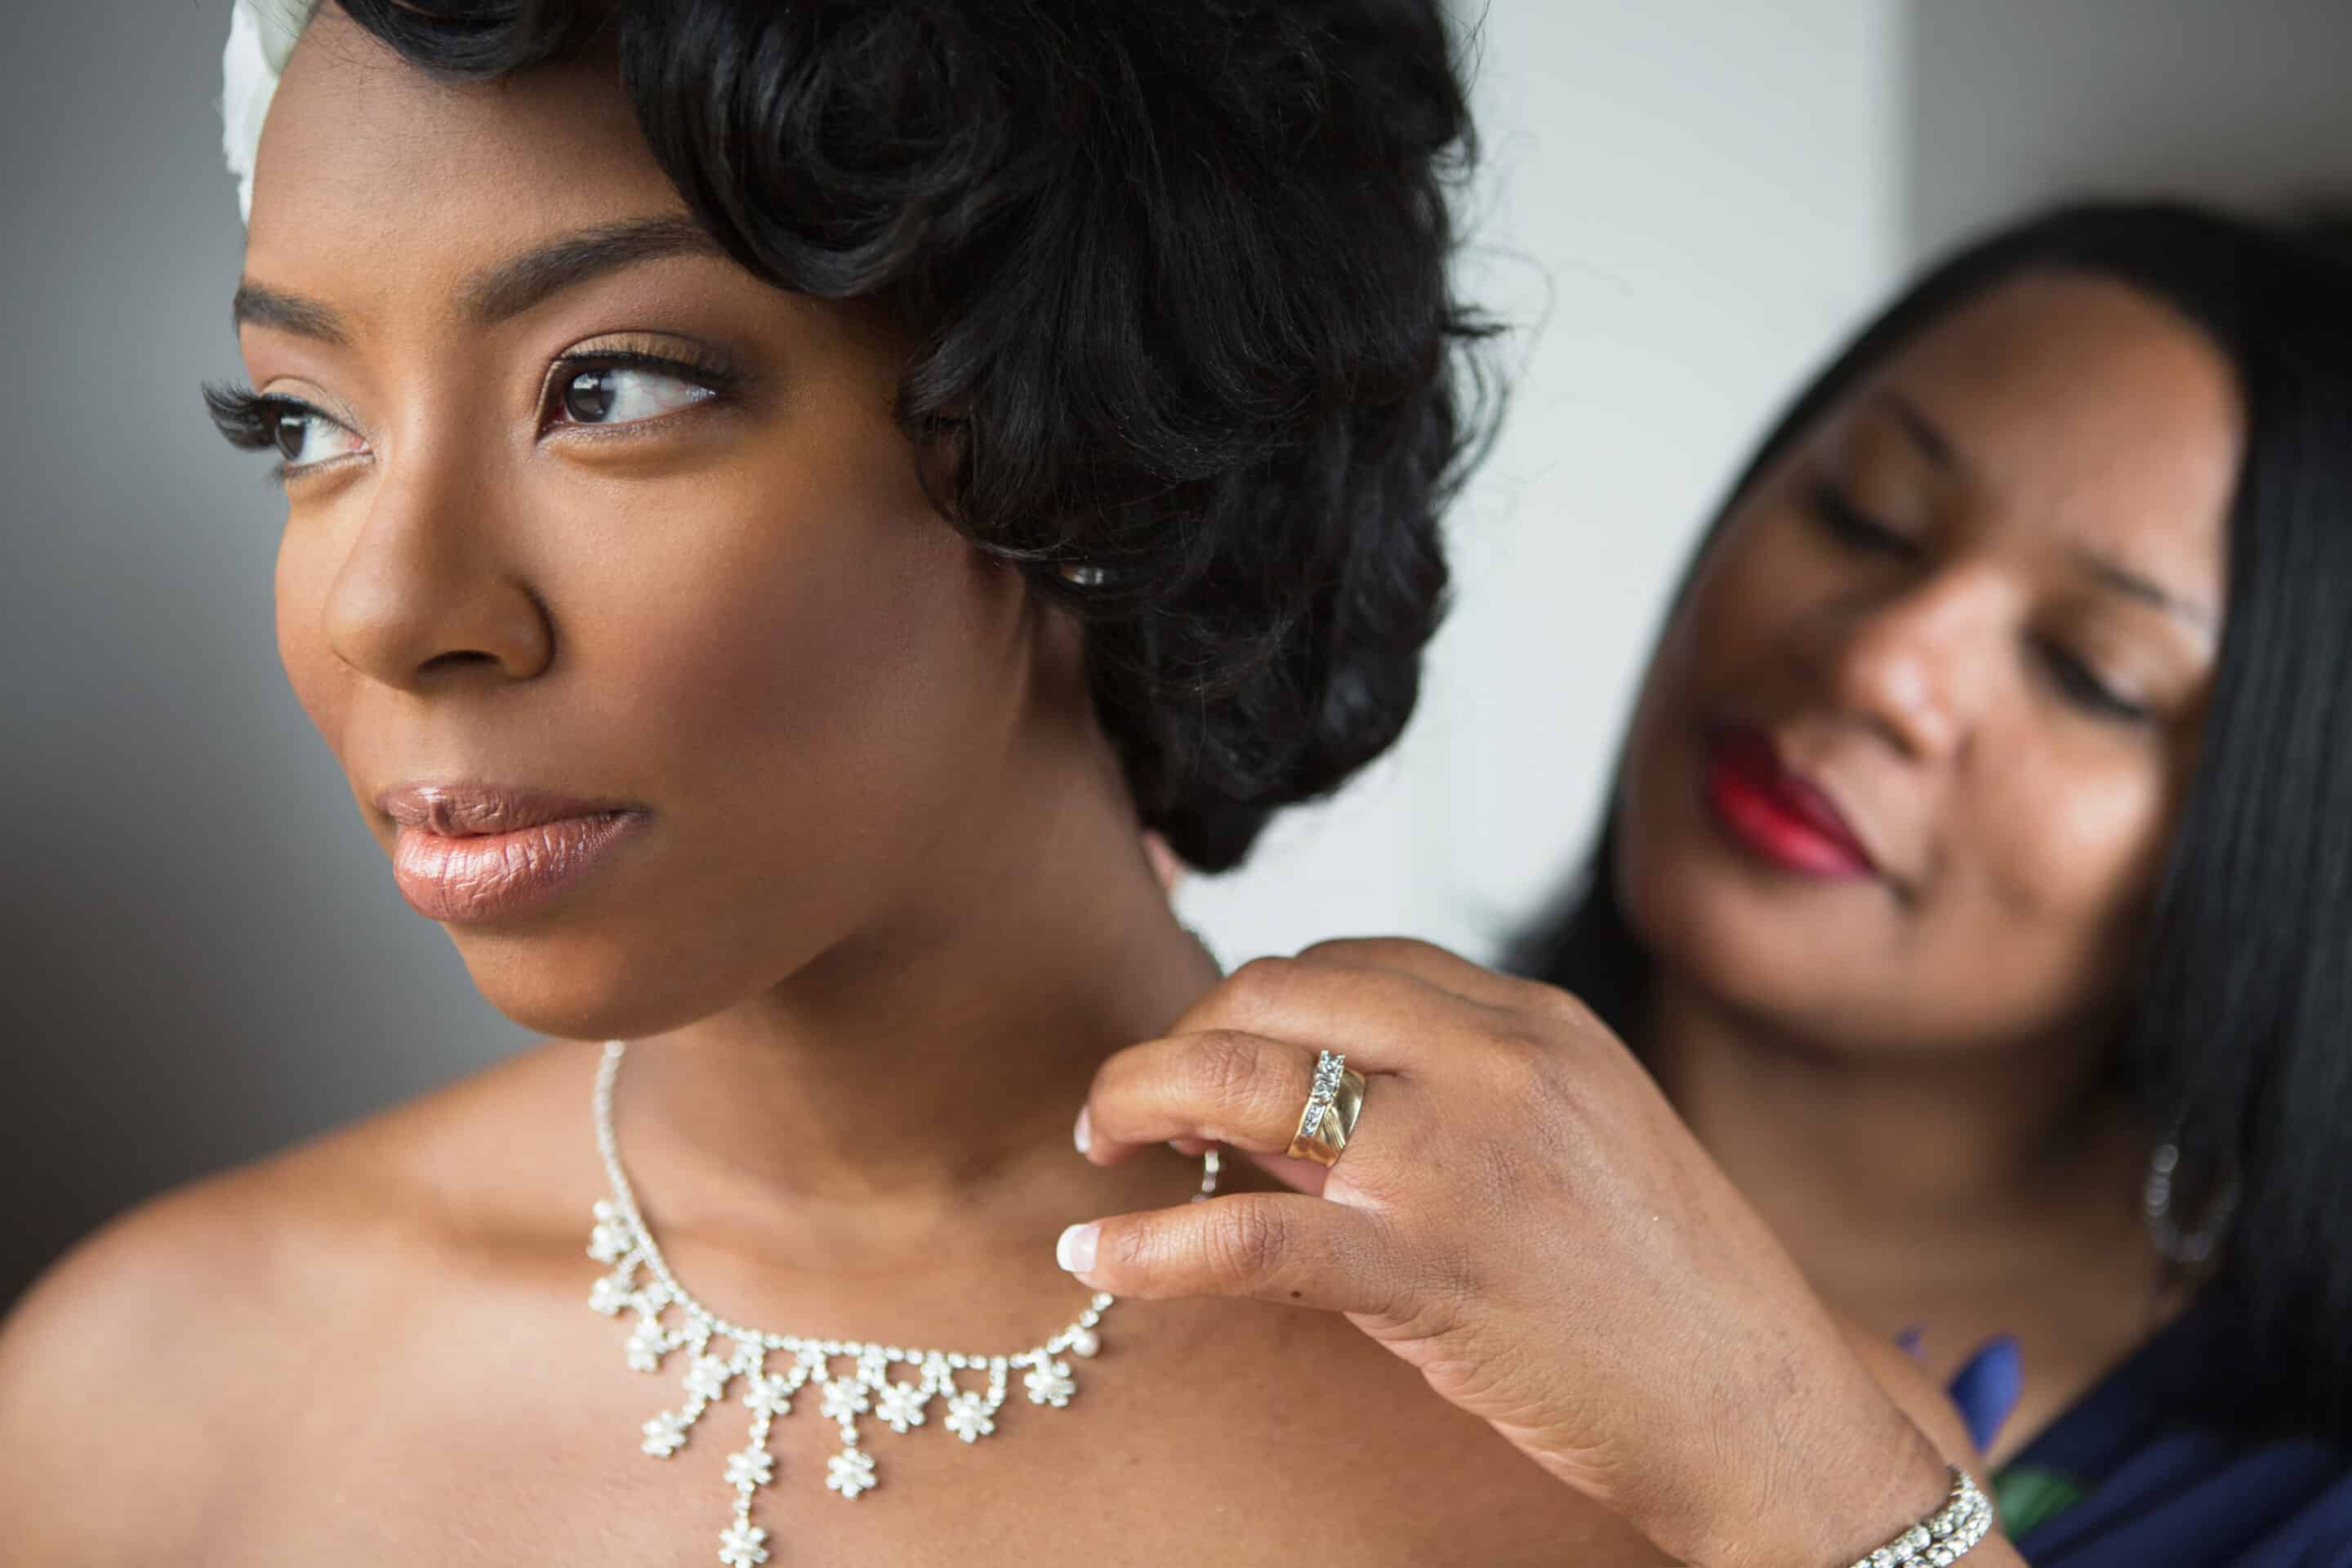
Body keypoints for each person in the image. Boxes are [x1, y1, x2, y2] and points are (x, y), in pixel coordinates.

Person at [0, 2, 1987, 1566]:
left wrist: (1827, 1505)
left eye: (609, 386)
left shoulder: (1674, 1451)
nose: (391, 603)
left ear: (1080, 439)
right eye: (303, 418)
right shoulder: (129, 1405)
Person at [1056, 202, 2352, 1566]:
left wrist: (1813, 1471)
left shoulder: (2302, 1496)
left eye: (2092, 672)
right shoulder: (1239, 1176)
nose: (1881, 664)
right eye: (1868, 517)